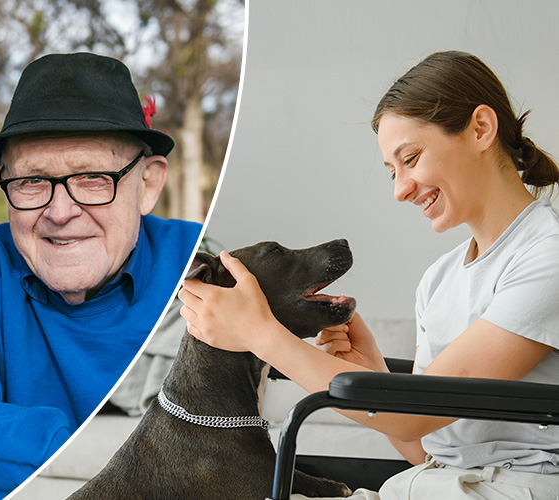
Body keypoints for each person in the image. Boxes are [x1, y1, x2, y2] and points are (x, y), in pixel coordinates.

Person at [180, 51, 559, 499]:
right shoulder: (438, 279)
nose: (400, 190)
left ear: (481, 128)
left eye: (412, 158)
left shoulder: (547, 255)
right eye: (392, 172)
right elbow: (423, 446)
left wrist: (259, 333)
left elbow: (417, 416)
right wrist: (374, 375)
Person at [0, 52, 204, 500]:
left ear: (147, 185)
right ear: (5, 184)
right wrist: (91, 454)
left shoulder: (203, 265)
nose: (60, 212)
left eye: (92, 178)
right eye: (31, 182)